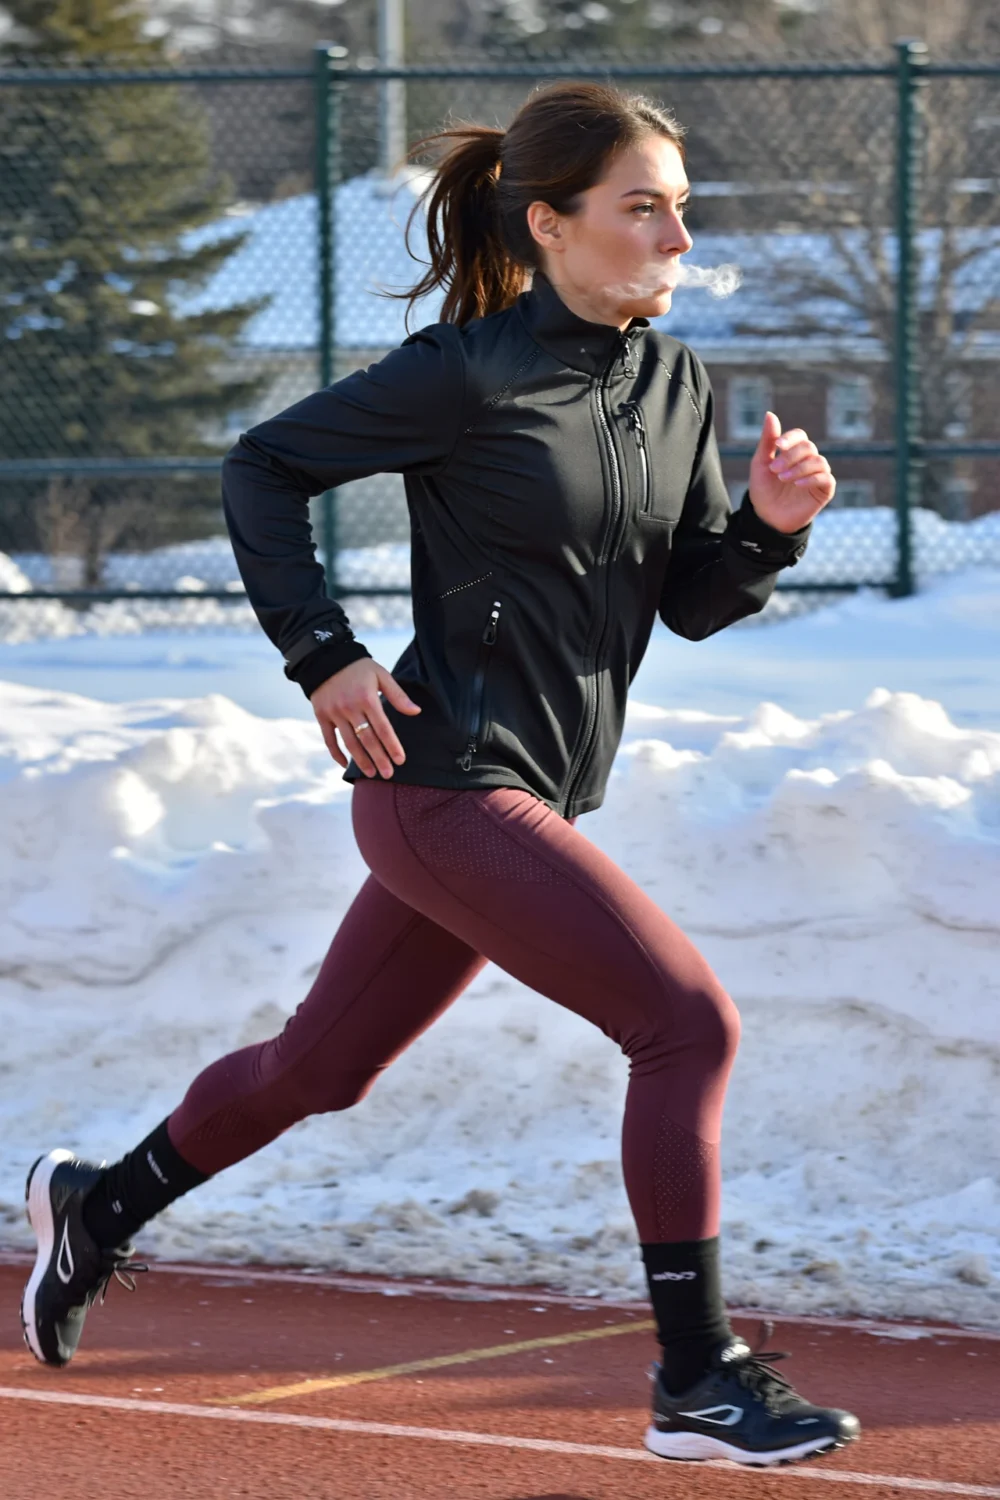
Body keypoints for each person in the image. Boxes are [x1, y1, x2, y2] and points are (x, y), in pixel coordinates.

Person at [20, 80, 859, 1468]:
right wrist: (325, 655)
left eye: (682, 209)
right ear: (552, 224)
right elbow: (262, 467)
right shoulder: (468, 371)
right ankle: (697, 1376)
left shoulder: (673, 384)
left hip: (527, 788)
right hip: (446, 784)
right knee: (688, 1026)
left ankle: (101, 1202)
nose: (676, 235)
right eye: (642, 207)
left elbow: (693, 600)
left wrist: (768, 530)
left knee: (322, 1068)